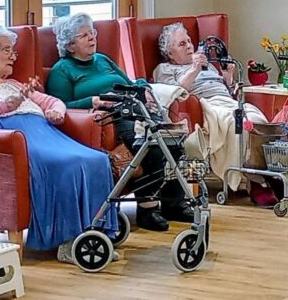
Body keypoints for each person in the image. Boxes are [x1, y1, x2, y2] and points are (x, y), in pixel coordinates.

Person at [0, 26, 117, 263]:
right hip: (20, 139)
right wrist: (4, 106)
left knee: (98, 160)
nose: (13, 56)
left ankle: (94, 237)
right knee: (67, 164)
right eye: (7, 50)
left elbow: (52, 101)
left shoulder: (16, 86)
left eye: (14, 52)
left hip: (47, 133)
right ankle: (67, 241)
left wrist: (56, 112)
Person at [45, 12, 191, 231]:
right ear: (70, 45)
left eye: (92, 32)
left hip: (135, 107)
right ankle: (148, 209)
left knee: (173, 140)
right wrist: (92, 101)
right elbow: (61, 104)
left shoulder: (102, 59)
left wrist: (144, 88)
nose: (92, 37)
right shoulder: (62, 70)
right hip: (112, 117)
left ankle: (174, 203)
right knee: (151, 147)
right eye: (84, 35)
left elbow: (129, 82)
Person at [152, 22, 288, 208]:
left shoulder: (208, 66)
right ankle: (256, 183)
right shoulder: (165, 69)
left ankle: (270, 176)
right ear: (170, 54)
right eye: (182, 44)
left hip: (228, 102)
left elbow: (227, 91)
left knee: (258, 120)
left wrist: (227, 77)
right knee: (237, 124)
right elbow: (172, 94)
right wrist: (194, 70)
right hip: (206, 106)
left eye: (189, 41)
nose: (190, 46)